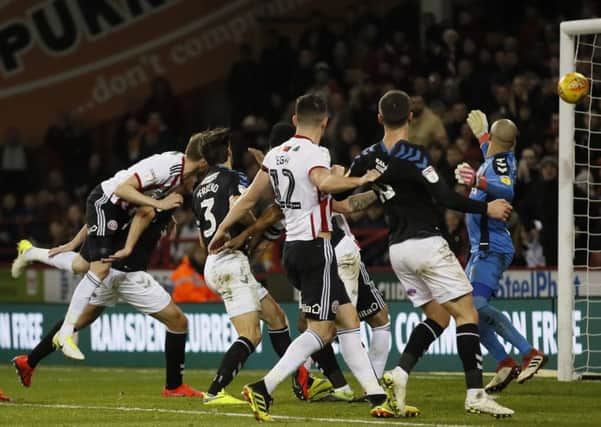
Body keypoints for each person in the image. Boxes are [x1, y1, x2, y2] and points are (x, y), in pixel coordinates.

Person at [208, 94, 397, 421]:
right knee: (322, 332)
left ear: (295, 120)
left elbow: (250, 198)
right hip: (317, 250)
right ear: (325, 122)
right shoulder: (316, 153)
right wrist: (359, 179)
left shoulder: (276, 155)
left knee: (350, 322)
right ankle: (263, 388)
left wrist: (222, 228)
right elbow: (323, 181)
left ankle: (377, 397)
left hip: (292, 249)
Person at [341, 90, 514, 417]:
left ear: (380, 118)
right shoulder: (415, 154)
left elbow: (346, 189)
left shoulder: (365, 156)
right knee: (467, 315)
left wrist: (330, 203)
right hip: (426, 243)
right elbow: (445, 196)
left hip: (398, 251)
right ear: (411, 117)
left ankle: (400, 374)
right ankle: (475, 393)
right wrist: (486, 207)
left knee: (438, 316)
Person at [11, 132, 208, 360]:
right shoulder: (168, 174)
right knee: (100, 269)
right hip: (110, 214)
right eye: (196, 178)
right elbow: (124, 197)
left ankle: (30, 252)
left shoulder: (170, 182)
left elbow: (112, 213)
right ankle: (65, 333)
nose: (195, 182)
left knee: (78, 264)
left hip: (112, 212)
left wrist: (74, 242)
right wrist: (158, 205)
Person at [239, 123, 392, 404]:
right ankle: (270, 385)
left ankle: (374, 394)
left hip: (313, 252)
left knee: (344, 323)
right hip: (327, 250)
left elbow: (266, 217)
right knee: (325, 328)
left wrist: (244, 236)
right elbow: (344, 203)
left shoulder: (282, 180)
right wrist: (371, 187)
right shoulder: (311, 165)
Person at [12, 202, 203, 397]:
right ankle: (174, 387)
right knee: (178, 322)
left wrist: (72, 244)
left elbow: (97, 220)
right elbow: (107, 220)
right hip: (126, 274)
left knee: (78, 318)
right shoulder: (158, 200)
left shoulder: (141, 201)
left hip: (109, 271)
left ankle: (28, 362)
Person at [192, 128, 322, 405]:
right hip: (230, 263)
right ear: (228, 151)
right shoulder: (232, 177)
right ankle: (215, 392)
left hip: (215, 261)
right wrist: (255, 224)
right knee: (250, 335)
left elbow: (204, 237)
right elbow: (238, 204)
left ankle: (302, 379)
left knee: (277, 319)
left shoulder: (200, 187)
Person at [456, 110, 547, 392]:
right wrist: (483, 134)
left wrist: (476, 182)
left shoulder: (499, 165)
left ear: (495, 140)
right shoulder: (496, 158)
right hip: (481, 249)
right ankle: (505, 363)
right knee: (468, 313)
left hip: (490, 247)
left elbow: (505, 190)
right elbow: (493, 155)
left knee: (474, 307)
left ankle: (529, 352)